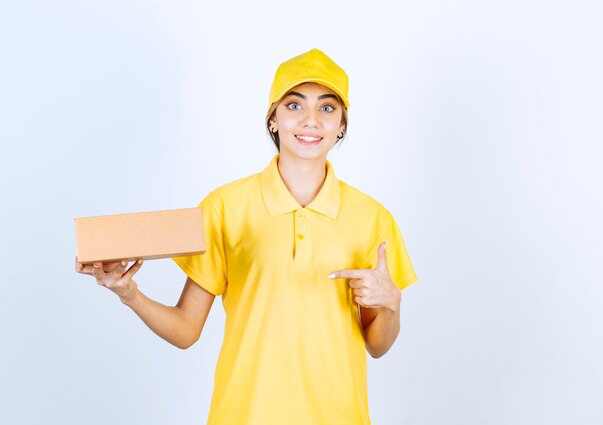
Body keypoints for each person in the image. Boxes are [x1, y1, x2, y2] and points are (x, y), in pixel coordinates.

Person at [76, 48, 417, 425]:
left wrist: (391, 305)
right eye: (293, 106)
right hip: (244, 414)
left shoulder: (372, 218)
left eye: (326, 108)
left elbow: (377, 344)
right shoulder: (224, 207)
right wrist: (130, 294)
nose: (310, 121)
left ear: (341, 125)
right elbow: (187, 331)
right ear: (273, 120)